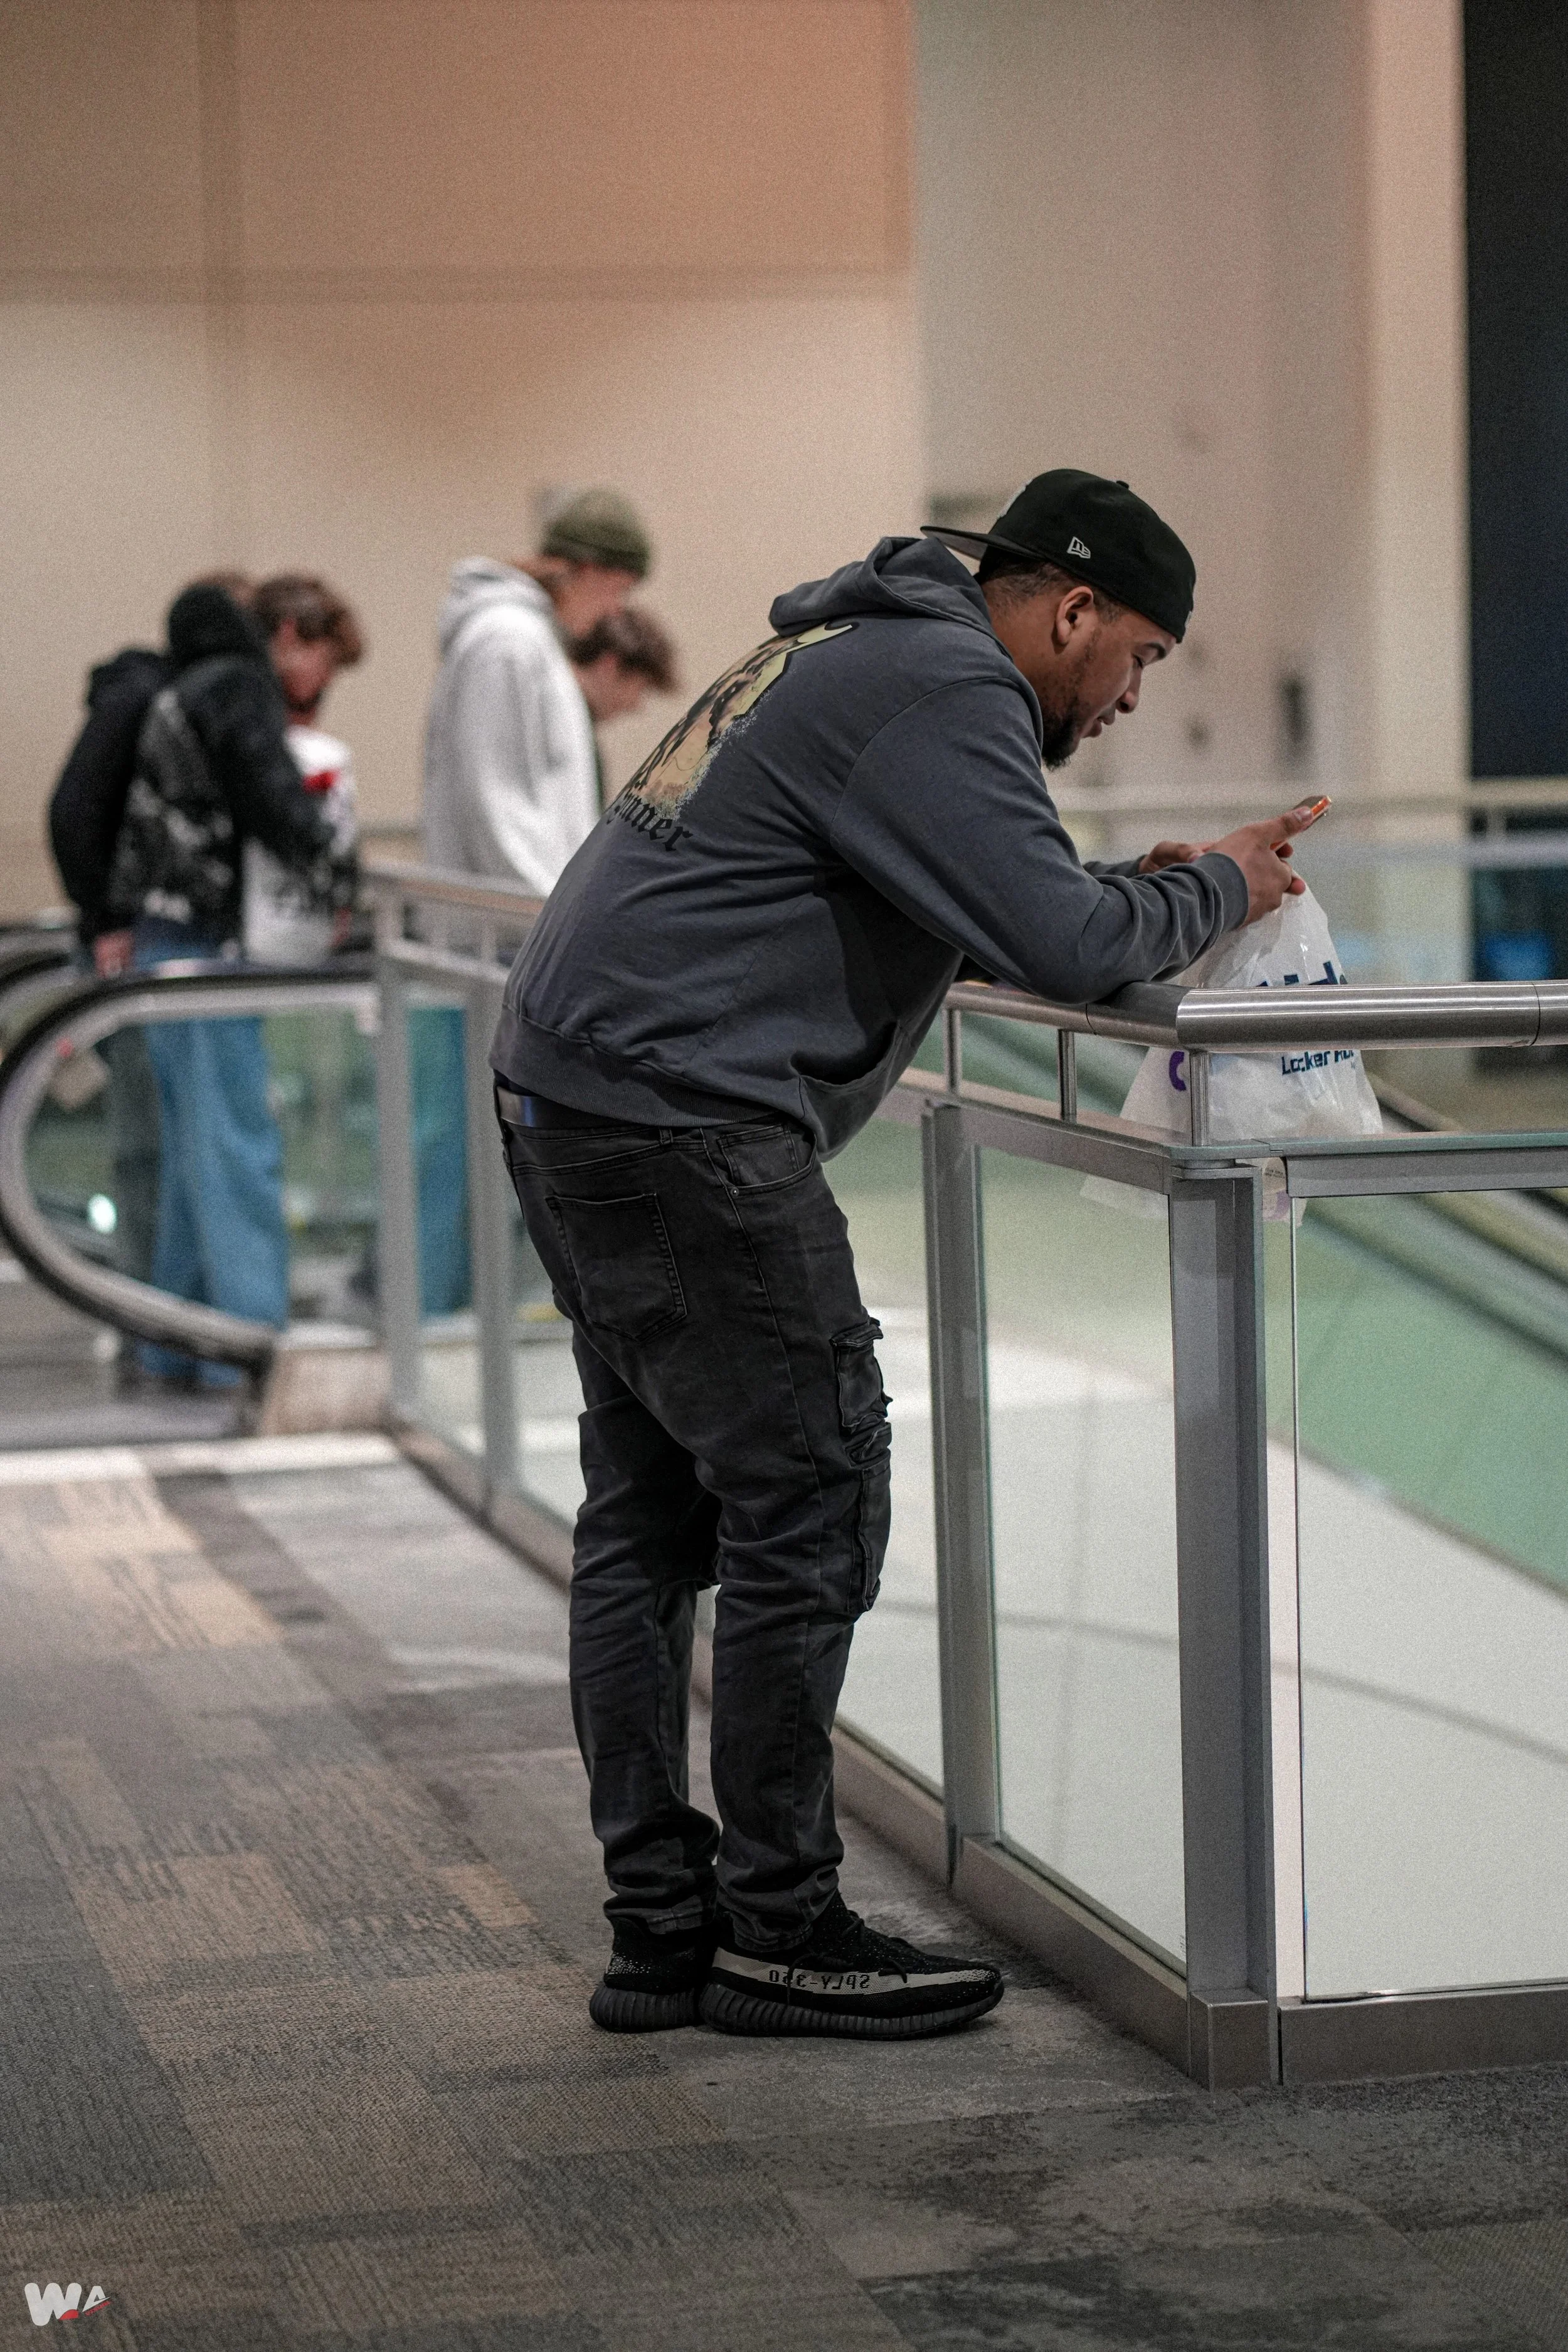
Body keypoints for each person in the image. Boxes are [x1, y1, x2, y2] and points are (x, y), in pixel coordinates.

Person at [490, 469, 1313, 2042]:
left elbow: (1012, 891)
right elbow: (1063, 946)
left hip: (581, 1086)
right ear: (1069, 609)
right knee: (813, 1489)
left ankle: (665, 1925)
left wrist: (1158, 884)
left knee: (654, 1509)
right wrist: (1215, 885)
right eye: (1135, 655)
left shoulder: (861, 649)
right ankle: (780, 1924)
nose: (1132, 695)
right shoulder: (944, 680)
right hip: (680, 1117)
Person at [105, 581, 356, 1385]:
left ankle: (175, 1341)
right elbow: (276, 799)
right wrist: (335, 867)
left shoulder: (178, 690)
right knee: (238, 1148)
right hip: (210, 951)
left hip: (160, 942)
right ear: (277, 635)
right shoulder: (237, 686)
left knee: (193, 1157)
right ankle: (252, 1353)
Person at [414, 489, 652, 1315]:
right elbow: (501, 804)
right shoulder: (508, 645)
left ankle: (459, 1314)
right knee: (470, 1147)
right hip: (510, 943)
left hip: (514, 939)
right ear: (584, 569)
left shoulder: (516, 641)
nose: (616, 609)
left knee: (478, 1143)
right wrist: (563, 925)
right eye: (618, 587)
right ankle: (447, 1320)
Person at [46, 572, 251, 1289]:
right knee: (149, 1140)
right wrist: (107, 919)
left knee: (161, 1136)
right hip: (132, 939)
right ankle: (145, 1311)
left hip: (132, 931)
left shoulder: (153, 698)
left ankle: (155, 1313)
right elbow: (73, 812)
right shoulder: (148, 701)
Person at [243, 575, 364, 967]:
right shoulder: (257, 743)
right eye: (326, 663)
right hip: (262, 936)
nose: (327, 680)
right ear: (289, 635)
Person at [570, 605, 680, 808]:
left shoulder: (575, 725)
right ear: (610, 666)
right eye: (641, 688)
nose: (636, 706)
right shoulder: (563, 726)